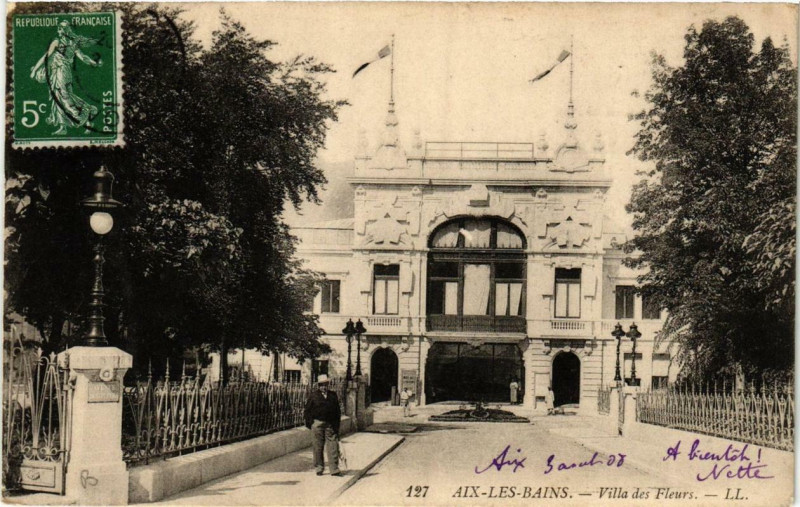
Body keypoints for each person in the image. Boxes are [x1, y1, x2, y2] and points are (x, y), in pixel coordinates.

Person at [30, 20, 102, 135]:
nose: (59, 30)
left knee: (63, 97)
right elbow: (83, 57)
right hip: (64, 73)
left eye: (60, 28)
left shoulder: (57, 42)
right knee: (61, 97)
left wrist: (34, 70)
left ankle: (85, 113)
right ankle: (65, 126)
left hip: (59, 72)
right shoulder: (72, 43)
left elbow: (46, 57)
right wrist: (94, 63)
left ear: (62, 31)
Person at [304, 374, 341, 476]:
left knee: (333, 446)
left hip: (330, 424)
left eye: (325, 385)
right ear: (318, 386)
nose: (323, 387)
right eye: (321, 385)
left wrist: (336, 426)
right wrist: (311, 424)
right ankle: (319, 467)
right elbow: (307, 411)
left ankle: (334, 469)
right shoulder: (313, 396)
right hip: (317, 424)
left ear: (328, 385)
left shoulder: (333, 395)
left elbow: (337, 411)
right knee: (317, 446)